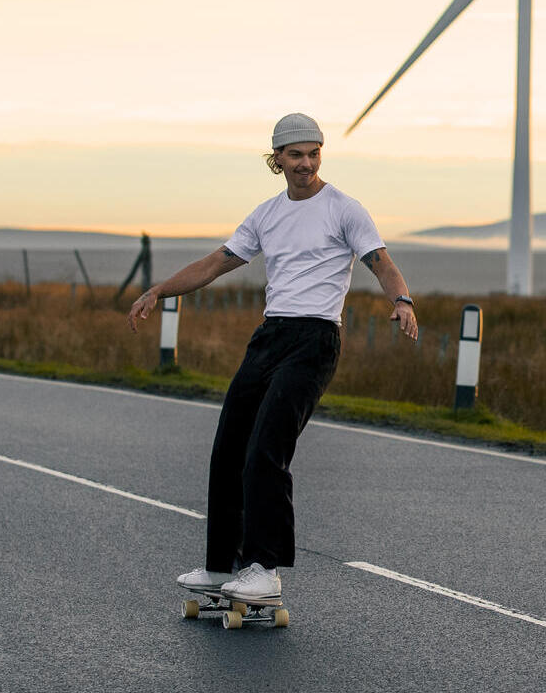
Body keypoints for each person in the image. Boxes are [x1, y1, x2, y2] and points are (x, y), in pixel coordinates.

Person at [127, 112, 418, 604]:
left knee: (267, 448)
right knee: (229, 447)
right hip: (270, 335)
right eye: (295, 155)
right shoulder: (266, 214)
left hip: (315, 339)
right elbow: (215, 264)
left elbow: (381, 262)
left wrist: (402, 300)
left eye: (314, 154)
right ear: (276, 159)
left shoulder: (344, 209)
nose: (306, 164)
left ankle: (264, 569)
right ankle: (221, 567)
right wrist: (158, 290)